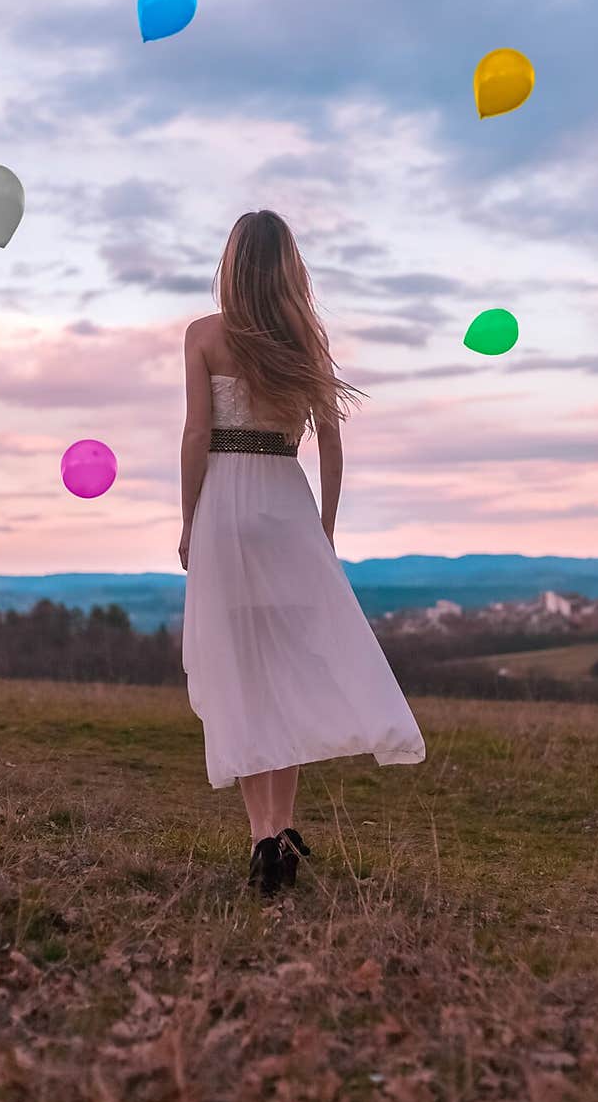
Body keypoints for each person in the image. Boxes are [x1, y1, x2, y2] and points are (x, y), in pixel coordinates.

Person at [180, 211, 425, 897]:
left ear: (231, 263)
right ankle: (280, 830)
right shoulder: (304, 346)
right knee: (284, 672)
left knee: (243, 675)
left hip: (225, 512)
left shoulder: (204, 336)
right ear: (289, 267)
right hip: (286, 509)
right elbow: (334, 449)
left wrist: (187, 520)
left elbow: (196, 434)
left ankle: (262, 835)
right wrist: (324, 527)